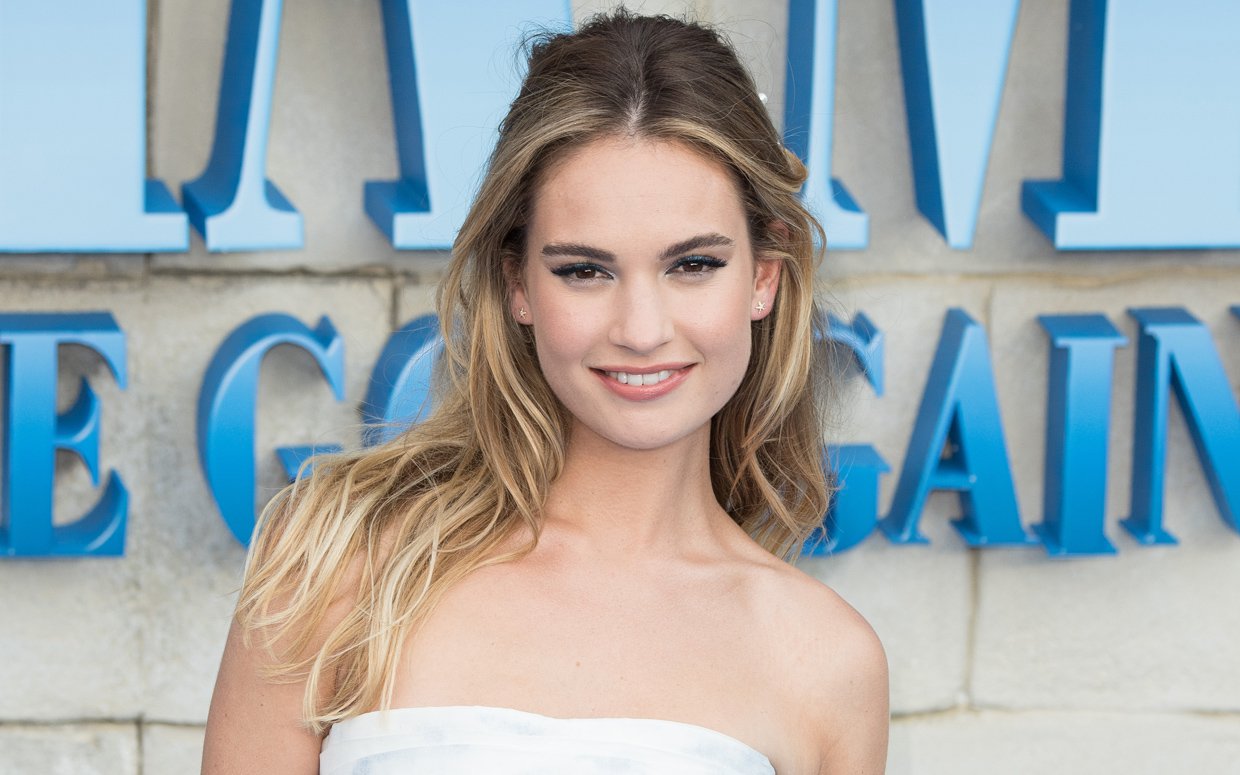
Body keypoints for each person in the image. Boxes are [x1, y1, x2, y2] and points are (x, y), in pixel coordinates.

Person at [202, 10, 888, 775]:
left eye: (692, 265)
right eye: (584, 270)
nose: (641, 329)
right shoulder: (338, 559)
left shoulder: (825, 660)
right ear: (518, 284)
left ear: (763, 275)